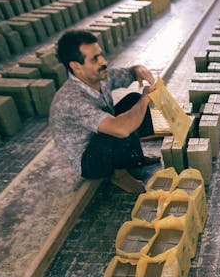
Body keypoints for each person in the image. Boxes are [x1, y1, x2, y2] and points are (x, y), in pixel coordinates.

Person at [50, 30, 160, 194]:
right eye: (95, 59)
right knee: (121, 126)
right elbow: (120, 128)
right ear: (76, 66)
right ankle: (119, 175)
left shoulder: (99, 76)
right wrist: (145, 100)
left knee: (132, 100)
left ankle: (135, 158)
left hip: (101, 138)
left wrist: (139, 69)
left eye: (101, 54)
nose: (104, 61)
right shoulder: (70, 100)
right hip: (89, 160)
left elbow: (130, 73)